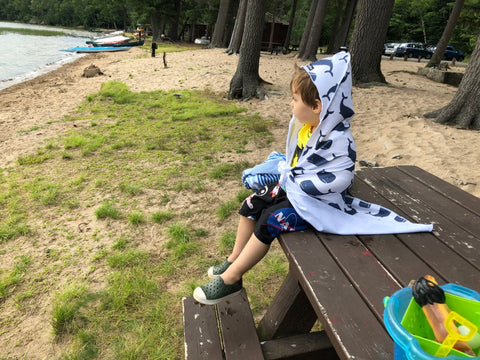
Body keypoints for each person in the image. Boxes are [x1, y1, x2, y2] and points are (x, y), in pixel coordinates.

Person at [193, 51, 432, 305]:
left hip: (318, 204)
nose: (291, 104)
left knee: (270, 220)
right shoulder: (308, 128)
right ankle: (233, 258)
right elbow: (297, 161)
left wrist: (305, 183)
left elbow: (341, 178)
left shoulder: (338, 140)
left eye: (295, 99)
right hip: (294, 189)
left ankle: (233, 278)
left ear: (318, 106)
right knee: (252, 204)